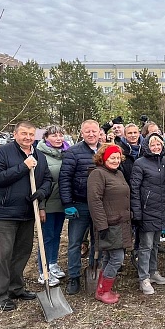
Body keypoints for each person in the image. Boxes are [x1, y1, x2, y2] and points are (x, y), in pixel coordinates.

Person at [0, 121, 52, 311]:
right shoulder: (2, 153)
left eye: (31, 134)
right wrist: (23, 167)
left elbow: (47, 178)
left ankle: (16, 288)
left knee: (22, 253)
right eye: (24, 134)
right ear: (15, 134)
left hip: (27, 212)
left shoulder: (39, 155)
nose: (28, 137)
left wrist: (42, 192)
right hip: (4, 213)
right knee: (2, 255)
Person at [59, 119, 100, 295]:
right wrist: (68, 203)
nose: (91, 134)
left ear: (99, 132)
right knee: (75, 243)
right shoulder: (73, 152)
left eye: (94, 131)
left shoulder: (104, 150)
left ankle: (93, 270)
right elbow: (65, 178)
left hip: (99, 206)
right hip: (79, 204)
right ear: (82, 133)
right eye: (87, 131)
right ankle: (74, 277)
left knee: (97, 242)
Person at [87, 144, 132, 304]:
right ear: (103, 158)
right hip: (109, 224)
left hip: (121, 222)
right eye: (112, 157)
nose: (115, 160)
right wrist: (102, 225)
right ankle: (103, 291)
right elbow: (94, 201)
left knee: (108, 256)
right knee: (117, 258)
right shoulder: (98, 174)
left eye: (118, 157)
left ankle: (102, 288)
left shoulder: (118, 173)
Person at [130, 133, 165, 295]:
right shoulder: (140, 163)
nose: (156, 147)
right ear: (147, 146)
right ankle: (143, 277)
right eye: (152, 145)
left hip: (162, 209)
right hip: (147, 209)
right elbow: (134, 188)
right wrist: (137, 211)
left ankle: (153, 271)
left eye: (158, 144)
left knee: (155, 244)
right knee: (145, 245)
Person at [35, 125, 70, 286]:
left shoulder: (65, 153)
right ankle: (43, 271)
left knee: (56, 235)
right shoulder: (40, 155)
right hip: (47, 204)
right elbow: (39, 183)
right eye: (54, 135)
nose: (58, 138)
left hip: (61, 203)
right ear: (46, 138)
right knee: (46, 237)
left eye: (60, 135)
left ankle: (53, 263)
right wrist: (41, 206)